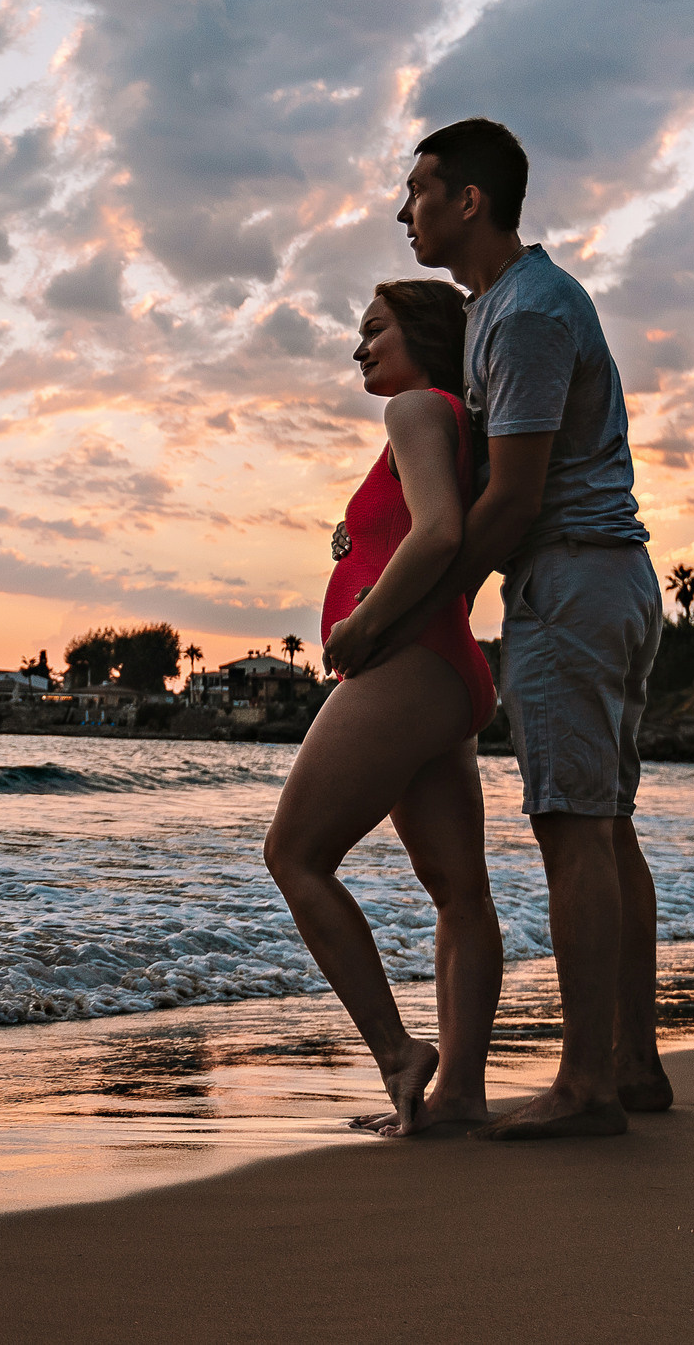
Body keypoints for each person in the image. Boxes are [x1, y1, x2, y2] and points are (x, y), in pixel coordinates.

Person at [368, 116, 669, 1139]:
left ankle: (587, 1084)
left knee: (571, 826)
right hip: (600, 580)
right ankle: (631, 1064)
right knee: (604, 820)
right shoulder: (512, 307)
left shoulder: (527, 312)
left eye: (416, 191)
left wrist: (424, 603)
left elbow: (512, 499)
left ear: (468, 201)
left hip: (571, 583)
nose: (402, 211)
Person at [264, 279, 503, 1138]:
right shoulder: (447, 414)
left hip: (407, 663)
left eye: (374, 330)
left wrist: (363, 621)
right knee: (457, 891)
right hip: (442, 669)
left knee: (294, 853)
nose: (359, 347)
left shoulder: (413, 410)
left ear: (422, 336)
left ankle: (400, 1054)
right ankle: (460, 1100)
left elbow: (437, 530)